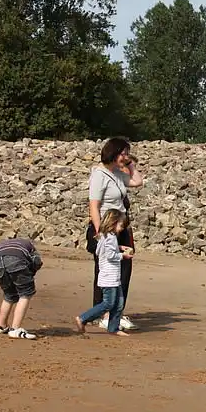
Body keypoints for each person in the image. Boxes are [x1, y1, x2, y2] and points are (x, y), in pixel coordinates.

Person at [87, 137, 143, 331]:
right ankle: (103, 313)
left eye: (127, 153)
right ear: (113, 153)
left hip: (121, 227)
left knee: (125, 268)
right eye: (123, 153)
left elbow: (137, 181)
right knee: (106, 270)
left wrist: (131, 164)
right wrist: (100, 233)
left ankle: (116, 311)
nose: (126, 157)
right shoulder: (99, 175)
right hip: (106, 228)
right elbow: (94, 206)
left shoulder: (118, 173)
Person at [74, 210, 131, 336]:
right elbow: (110, 255)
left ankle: (113, 327)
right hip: (109, 277)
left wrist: (119, 248)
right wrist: (123, 255)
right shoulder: (109, 238)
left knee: (119, 303)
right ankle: (83, 318)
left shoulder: (105, 236)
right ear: (113, 223)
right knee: (108, 303)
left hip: (113, 277)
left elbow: (103, 250)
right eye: (121, 226)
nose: (122, 229)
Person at [0, 238, 44, 340]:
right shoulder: (29, 245)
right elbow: (37, 261)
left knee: (9, 295)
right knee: (25, 293)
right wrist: (30, 273)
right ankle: (15, 329)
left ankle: (1, 326)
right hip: (17, 260)